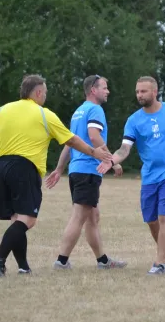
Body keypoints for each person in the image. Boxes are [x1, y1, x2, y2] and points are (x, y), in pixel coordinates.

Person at [0, 74, 112, 277]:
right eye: (45, 93)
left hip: (1, 167)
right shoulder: (44, 114)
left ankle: (23, 266)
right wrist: (94, 152)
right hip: (24, 167)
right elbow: (71, 140)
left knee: (17, 219)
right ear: (38, 93)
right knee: (28, 220)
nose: (45, 97)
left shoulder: (3, 110)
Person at [96, 76, 165, 275]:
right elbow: (124, 149)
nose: (139, 95)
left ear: (154, 92)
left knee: (164, 216)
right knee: (151, 220)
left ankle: (159, 264)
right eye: (137, 91)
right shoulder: (134, 120)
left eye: (144, 91)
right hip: (149, 176)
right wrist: (111, 161)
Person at [44, 75, 127, 270]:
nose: (108, 91)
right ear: (93, 89)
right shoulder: (95, 109)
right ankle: (61, 261)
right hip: (88, 170)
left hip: (76, 171)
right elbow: (93, 135)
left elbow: (70, 142)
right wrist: (112, 161)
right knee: (79, 216)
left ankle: (103, 261)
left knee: (93, 216)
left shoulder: (78, 112)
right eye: (104, 88)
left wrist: (59, 169)